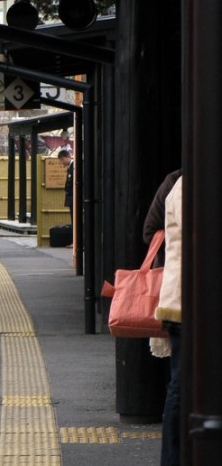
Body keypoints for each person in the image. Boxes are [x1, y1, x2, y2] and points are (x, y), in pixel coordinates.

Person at [154, 175, 183, 466]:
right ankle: (172, 457)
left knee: (180, 383)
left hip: (180, 298)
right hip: (183, 301)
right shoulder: (188, 186)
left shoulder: (178, 184)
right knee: (180, 383)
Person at [58, 149, 74, 222]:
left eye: (62, 159)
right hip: (71, 195)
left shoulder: (73, 166)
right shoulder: (70, 167)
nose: (62, 162)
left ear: (68, 157)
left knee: (74, 215)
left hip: (74, 195)